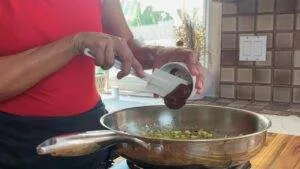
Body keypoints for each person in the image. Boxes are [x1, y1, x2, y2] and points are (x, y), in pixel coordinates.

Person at [0, 0, 204, 169]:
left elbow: (124, 45)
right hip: (15, 139)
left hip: (90, 131)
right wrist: (75, 44)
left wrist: (156, 53)